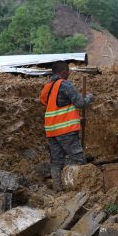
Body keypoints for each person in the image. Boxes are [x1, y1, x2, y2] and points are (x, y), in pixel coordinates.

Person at [39, 61, 94, 191]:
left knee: (57, 161)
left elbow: (58, 107)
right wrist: (90, 98)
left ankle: (58, 189)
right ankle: (81, 188)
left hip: (52, 130)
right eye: (68, 71)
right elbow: (80, 103)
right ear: (63, 72)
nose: (69, 73)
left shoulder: (49, 86)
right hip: (66, 130)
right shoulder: (64, 84)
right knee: (78, 158)